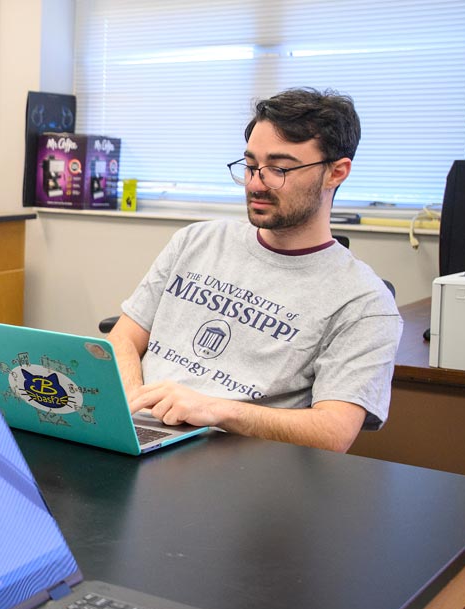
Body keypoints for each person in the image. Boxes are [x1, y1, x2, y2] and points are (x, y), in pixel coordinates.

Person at [106, 88, 402, 453]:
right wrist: (133, 400)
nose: (256, 183)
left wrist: (215, 410)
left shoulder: (363, 301)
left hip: (232, 460)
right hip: (140, 434)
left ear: (335, 173)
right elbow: (122, 339)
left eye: (278, 169)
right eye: (249, 166)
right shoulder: (197, 241)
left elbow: (334, 431)